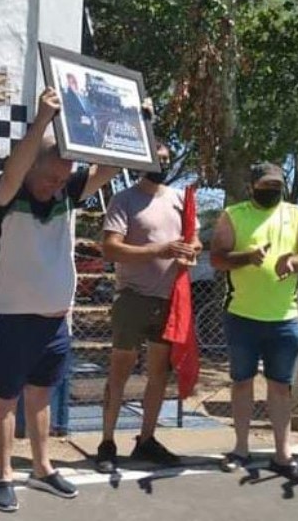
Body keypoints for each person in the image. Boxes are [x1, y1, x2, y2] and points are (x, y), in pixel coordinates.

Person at [0, 87, 120, 512]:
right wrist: (41, 121)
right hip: (10, 312)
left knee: (40, 395)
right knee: (6, 398)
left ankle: (42, 466)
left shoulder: (66, 190)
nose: (57, 185)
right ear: (31, 168)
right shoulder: (4, 193)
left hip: (55, 316)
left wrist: (134, 125)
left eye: (64, 178)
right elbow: (14, 170)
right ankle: (4, 475)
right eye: (50, 177)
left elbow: (110, 168)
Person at [210, 162, 298, 485]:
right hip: (242, 317)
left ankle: (283, 454)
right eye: (266, 185)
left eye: (277, 185)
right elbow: (217, 258)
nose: (272, 191)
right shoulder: (233, 215)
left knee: (280, 388)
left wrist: (293, 261)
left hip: (284, 319)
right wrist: (247, 257)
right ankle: (241, 449)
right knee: (241, 382)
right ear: (252, 185)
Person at [94, 142, 201, 474]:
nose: (163, 164)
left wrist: (189, 249)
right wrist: (161, 249)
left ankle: (147, 439)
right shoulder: (124, 199)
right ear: (143, 162)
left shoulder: (180, 200)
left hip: (170, 301)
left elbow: (194, 239)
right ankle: (107, 441)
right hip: (133, 298)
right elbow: (111, 248)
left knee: (158, 375)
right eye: (157, 159)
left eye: (168, 159)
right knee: (120, 372)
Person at [62, 73, 101, 147]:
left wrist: (92, 121)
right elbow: (67, 116)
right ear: (68, 84)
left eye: (75, 81)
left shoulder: (84, 97)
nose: (74, 84)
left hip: (91, 137)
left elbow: (91, 113)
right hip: (78, 137)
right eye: (72, 82)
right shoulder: (66, 98)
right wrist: (80, 120)